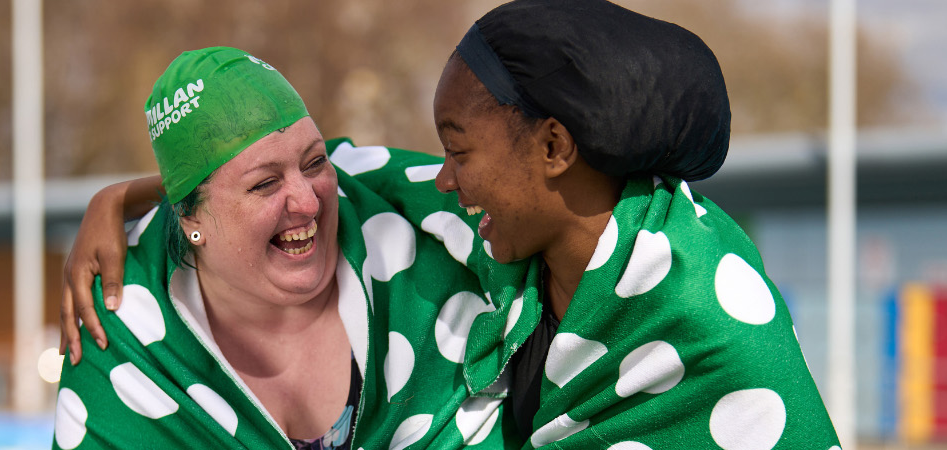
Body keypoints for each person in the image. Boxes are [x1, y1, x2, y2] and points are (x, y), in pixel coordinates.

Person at [64, 1, 843, 448]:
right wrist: (127, 197)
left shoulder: (698, 302)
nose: (441, 178)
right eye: (265, 183)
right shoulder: (500, 234)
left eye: (457, 151)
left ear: (553, 146)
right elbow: (249, 174)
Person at [52, 47, 524, 450]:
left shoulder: (428, 245)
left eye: (314, 162)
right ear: (191, 220)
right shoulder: (126, 342)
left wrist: (118, 195)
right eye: (265, 184)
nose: (307, 201)